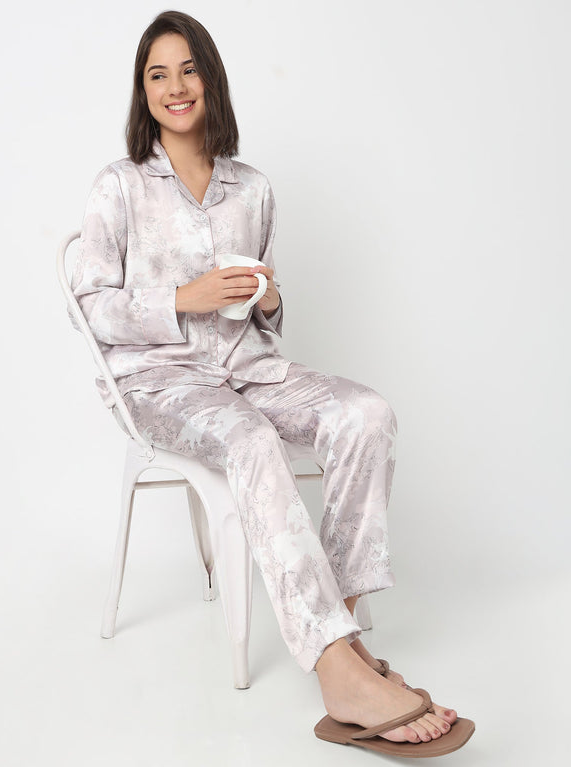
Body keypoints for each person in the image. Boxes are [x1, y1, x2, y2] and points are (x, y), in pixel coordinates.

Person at [72, 10, 473, 758]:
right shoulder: (118, 187)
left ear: (211, 79)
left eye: (188, 69)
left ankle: (339, 629)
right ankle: (337, 673)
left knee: (365, 413)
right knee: (252, 441)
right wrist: (180, 299)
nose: (175, 86)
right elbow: (91, 308)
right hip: (159, 383)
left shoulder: (252, 188)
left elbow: (266, 314)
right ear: (142, 90)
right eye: (157, 74)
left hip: (248, 370)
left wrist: (269, 297)